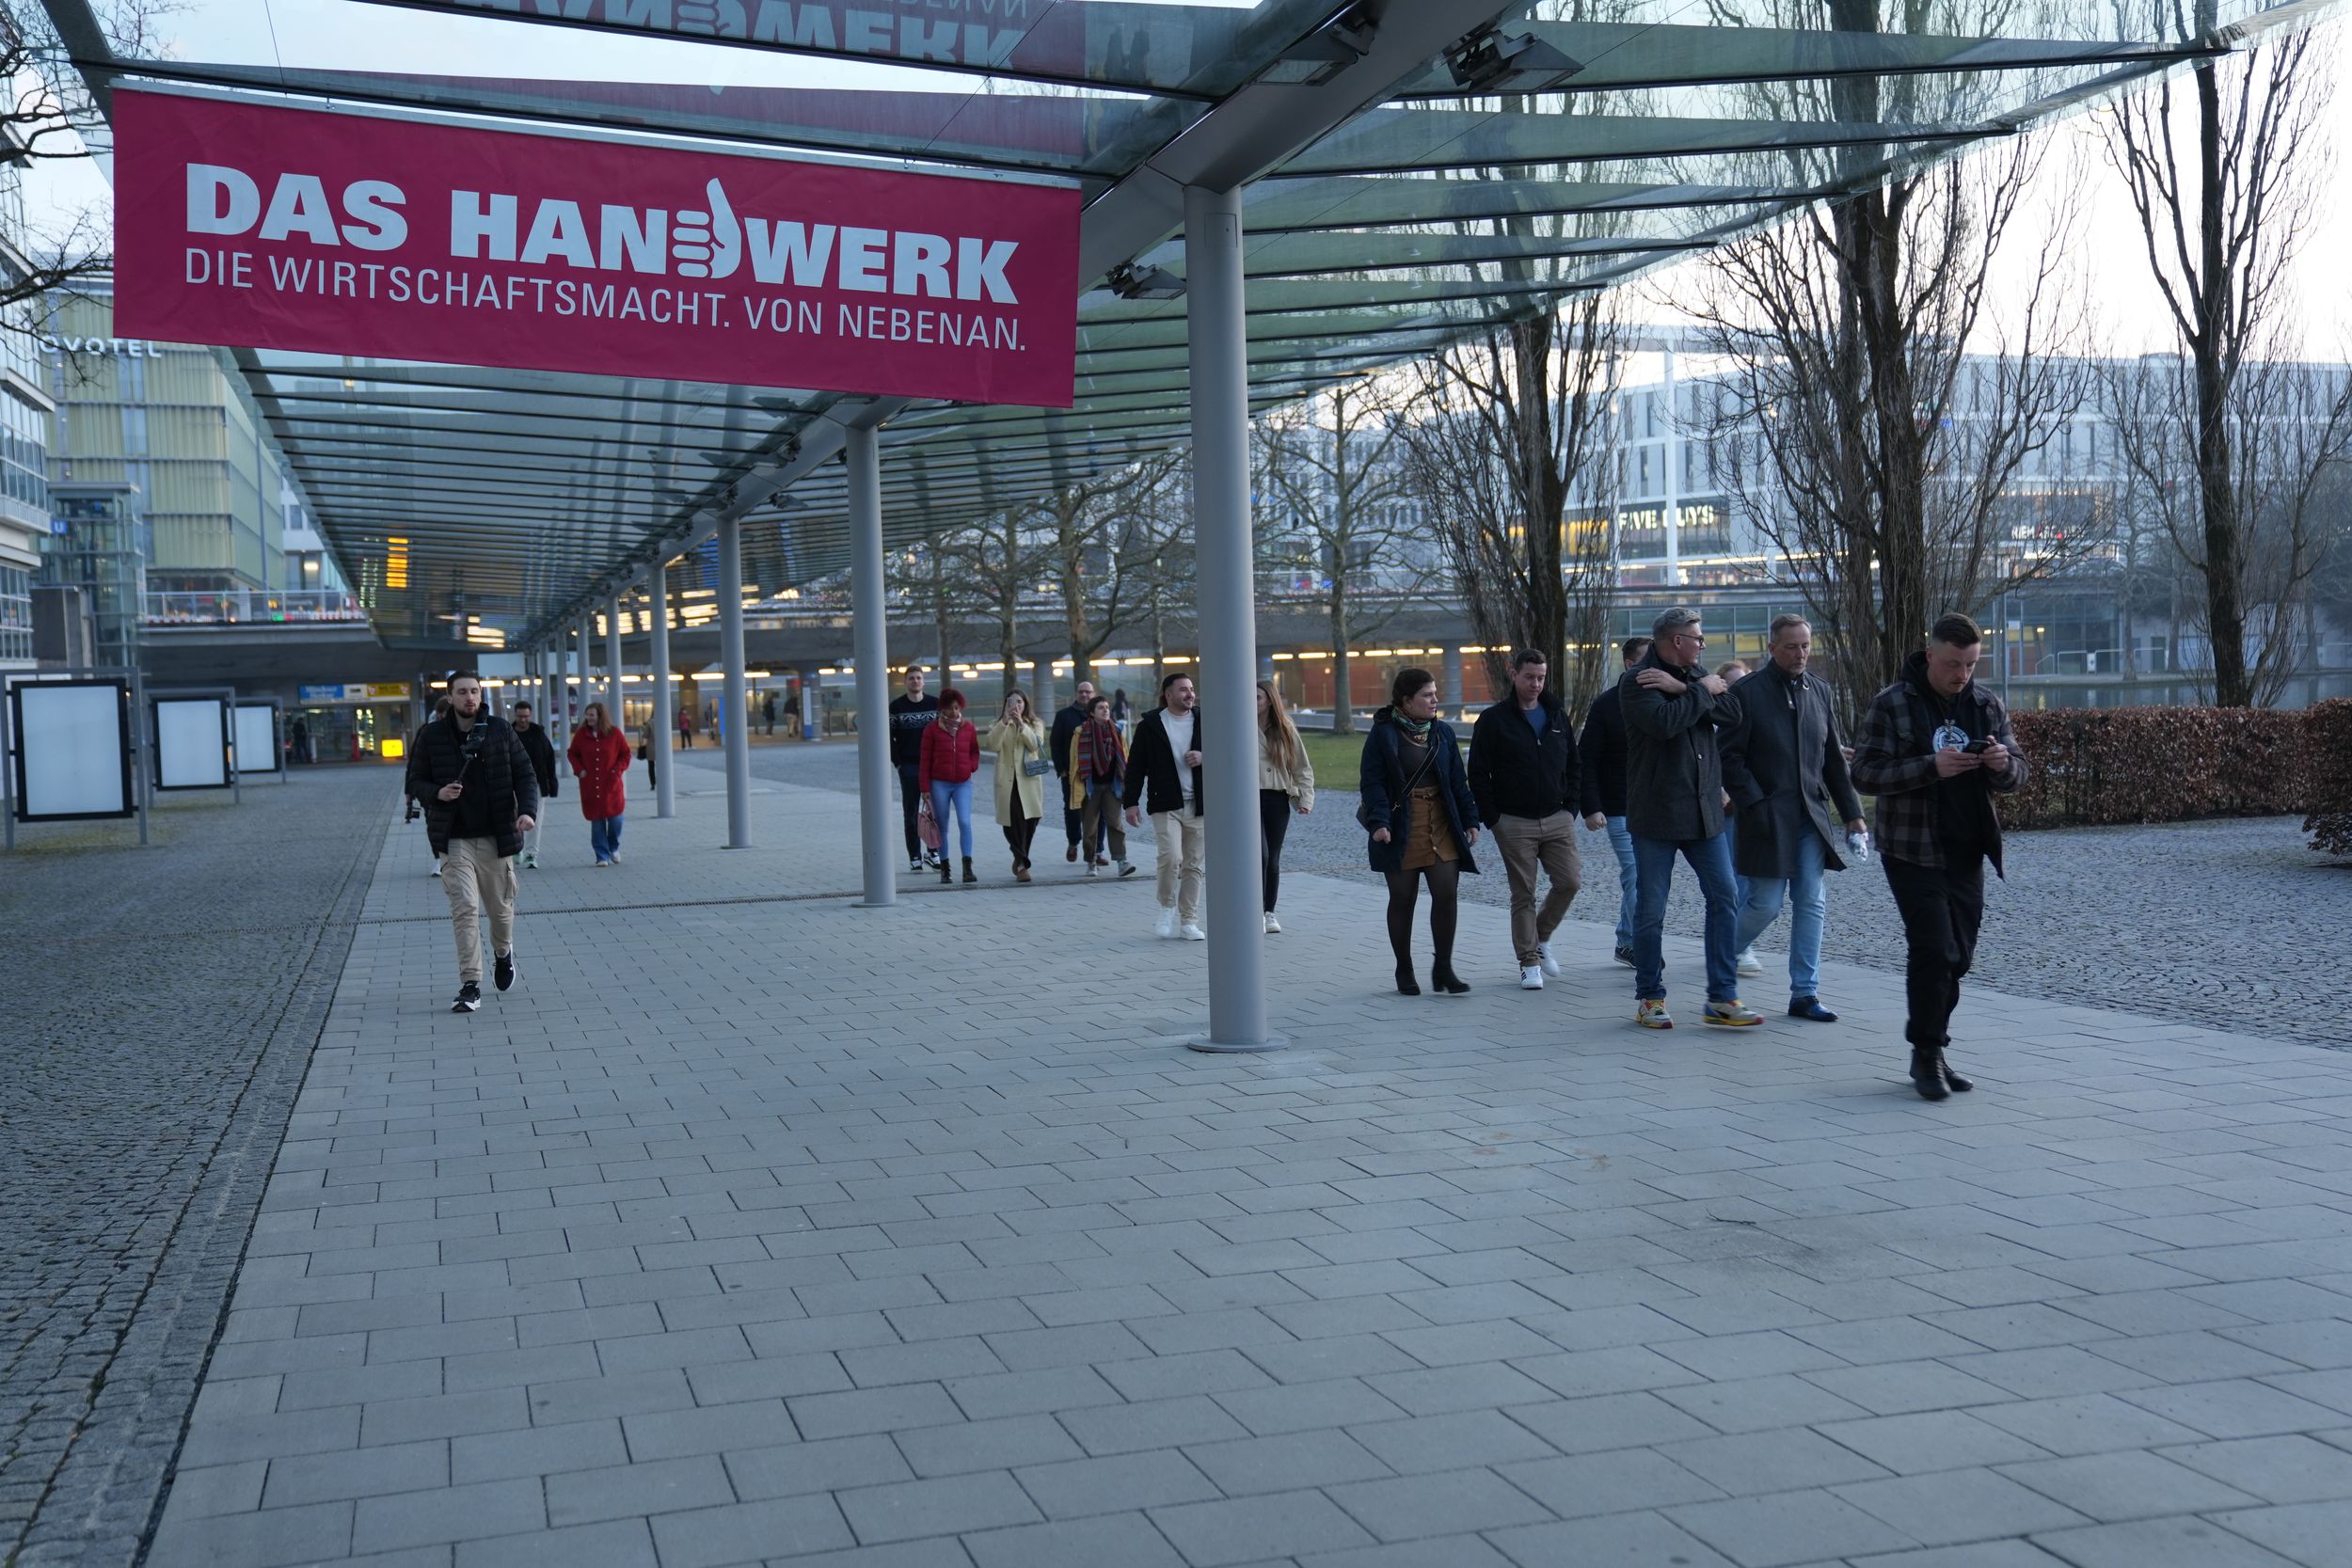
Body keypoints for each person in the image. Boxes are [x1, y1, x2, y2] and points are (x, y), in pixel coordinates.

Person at [1851, 611, 2028, 1101]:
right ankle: (1927, 1052)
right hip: (1911, 848)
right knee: (1934, 948)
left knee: (1960, 957)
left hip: (1968, 849)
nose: (1962, 674)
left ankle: (1933, 1049)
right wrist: (1930, 767)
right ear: (1930, 655)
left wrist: (2001, 765)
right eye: (1953, 663)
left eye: (1971, 665)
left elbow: (2020, 772)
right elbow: (1864, 774)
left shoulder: (1986, 704)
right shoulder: (1893, 704)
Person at [1718, 616, 1867, 1024]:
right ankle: (1721, 954)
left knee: (1811, 901)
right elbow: (1728, 757)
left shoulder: (1820, 691)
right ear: (1772, 649)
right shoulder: (1747, 693)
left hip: (1810, 818)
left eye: (1805, 645)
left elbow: (1833, 760)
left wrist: (1853, 814)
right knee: (1764, 904)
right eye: (1791, 646)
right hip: (1766, 818)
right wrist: (1755, 803)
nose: (1800, 653)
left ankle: (1805, 993)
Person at [1621, 608, 1759, 1030]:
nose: (1702, 644)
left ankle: (1721, 998)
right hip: (1657, 814)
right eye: (1697, 638)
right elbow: (1665, 724)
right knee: (1651, 910)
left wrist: (1682, 686)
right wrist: (1696, 692)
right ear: (1676, 640)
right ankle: (1650, 997)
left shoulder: (1693, 673)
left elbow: (1734, 714)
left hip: (1704, 813)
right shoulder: (1638, 681)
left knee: (1725, 899)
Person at [405, 672, 538, 1013]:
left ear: (480, 695)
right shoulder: (432, 735)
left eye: (474, 691)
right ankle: (470, 984)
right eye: (462, 692)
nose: (469, 698)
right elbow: (414, 780)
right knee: (464, 907)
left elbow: (524, 773)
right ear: (449, 697)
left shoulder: (498, 730)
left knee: (500, 912)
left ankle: (503, 953)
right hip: (454, 838)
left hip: (496, 836)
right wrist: (437, 793)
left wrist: (526, 811)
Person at [1469, 648, 1583, 991]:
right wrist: (1493, 818)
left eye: (1541, 678)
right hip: (1513, 820)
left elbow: (1575, 765)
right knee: (1524, 893)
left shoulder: (1557, 716)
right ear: (1514, 674)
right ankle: (1528, 962)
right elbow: (1478, 773)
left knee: (1570, 881)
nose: (1536, 684)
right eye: (1529, 677)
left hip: (1557, 816)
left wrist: (1571, 807)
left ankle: (1541, 938)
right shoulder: (1494, 720)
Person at [1361, 668, 1481, 995]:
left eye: (1434, 693)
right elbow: (1372, 784)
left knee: (1446, 893)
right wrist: (1380, 823)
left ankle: (1443, 967)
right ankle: (1404, 967)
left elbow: (1458, 779)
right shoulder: (1383, 734)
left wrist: (1470, 818)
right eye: (1427, 695)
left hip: (1441, 819)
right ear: (1406, 701)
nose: (1435, 699)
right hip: (1402, 822)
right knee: (1402, 898)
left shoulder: (1441, 732)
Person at [1580, 637, 1649, 967]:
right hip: (1619, 806)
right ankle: (1639, 945)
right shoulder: (1606, 705)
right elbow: (1587, 758)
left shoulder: (1660, 697)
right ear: (1630, 664)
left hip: (1654, 805)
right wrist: (1591, 807)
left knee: (1640, 873)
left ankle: (1625, 940)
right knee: (1636, 872)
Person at [1124, 672, 1205, 939]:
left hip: (1200, 804)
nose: (1190, 694)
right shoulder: (1151, 725)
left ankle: (1188, 921)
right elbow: (1136, 767)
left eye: (1191, 688)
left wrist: (1205, 756)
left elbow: (1229, 750)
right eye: (1183, 689)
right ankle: (1166, 906)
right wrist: (1130, 803)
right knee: (1171, 858)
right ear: (1168, 694)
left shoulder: (1206, 719)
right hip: (1166, 803)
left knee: (1193, 864)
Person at [1255, 681, 1314, 934]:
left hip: (1277, 798)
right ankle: (1254, 909)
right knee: (1261, 855)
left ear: (1269, 700)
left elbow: (1302, 767)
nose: (1252, 701)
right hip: (1249, 799)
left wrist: (1306, 798)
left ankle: (1269, 911)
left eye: (1257, 697)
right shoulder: (1239, 724)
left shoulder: (1285, 728)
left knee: (1273, 859)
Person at [1714, 658, 1760, 976]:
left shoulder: (1753, 714)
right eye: (1732, 684)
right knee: (1728, 879)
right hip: (1722, 809)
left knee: (1745, 876)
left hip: (1748, 804)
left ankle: (1737, 943)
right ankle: (1735, 945)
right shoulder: (1715, 715)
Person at [1069, 693, 1136, 878]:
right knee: (1090, 828)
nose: (1105, 710)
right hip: (1089, 787)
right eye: (1101, 707)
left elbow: (1125, 757)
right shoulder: (1081, 732)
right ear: (1092, 712)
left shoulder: (1117, 730)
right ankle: (1091, 861)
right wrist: (1074, 785)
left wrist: (1126, 780)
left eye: (1107, 707)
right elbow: (1075, 761)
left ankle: (1122, 861)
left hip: (1112, 786)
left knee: (1116, 823)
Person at [919, 687, 980, 885]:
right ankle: (945, 868)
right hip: (939, 783)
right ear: (942, 709)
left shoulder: (968, 727)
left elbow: (974, 751)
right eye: (948, 708)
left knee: (965, 822)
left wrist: (971, 766)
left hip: (963, 783)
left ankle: (967, 866)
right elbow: (925, 760)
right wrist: (924, 788)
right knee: (942, 825)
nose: (953, 712)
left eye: (956, 708)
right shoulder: (932, 729)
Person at [988, 688, 1050, 882]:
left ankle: (1019, 857)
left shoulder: (1036, 723)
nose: (1015, 706)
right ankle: (1023, 864)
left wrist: (1022, 725)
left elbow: (1035, 745)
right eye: (1011, 702)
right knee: (1013, 822)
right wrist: (1005, 723)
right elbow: (993, 745)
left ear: (1025, 705)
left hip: (1028, 781)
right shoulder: (998, 724)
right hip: (1007, 781)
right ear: (1005, 704)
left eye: (1019, 702)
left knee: (1030, 821)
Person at [889, 666, 942, 872]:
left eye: (919, 678)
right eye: (911, 678)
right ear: (906, 682)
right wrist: (898, 762)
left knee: (933, 810)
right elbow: (889, 737)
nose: (915, 681)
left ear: (924, 681)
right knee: (910, 811)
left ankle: (933, 851)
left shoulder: (934, 704)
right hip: (909, 764)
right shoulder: (896, 707)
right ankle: (915, 855)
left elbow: (942, 733)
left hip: (932, 765)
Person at [567, 700, 632, 866]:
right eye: (587, 715)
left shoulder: (615, 733)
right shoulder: (581, 735)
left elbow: (625, 754)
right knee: (597, 822)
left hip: (611, 784)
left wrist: (617, 770)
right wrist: (579, 769)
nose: (588, 718)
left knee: (616, 820)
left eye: (592, 715)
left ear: (600, 716)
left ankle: (613, 847)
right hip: (590, 785)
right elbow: (573, 754)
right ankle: (602, 855)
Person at [1050, 678, 1099, 865]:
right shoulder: (1064, 716)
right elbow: (1055, 743)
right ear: (1076, 694)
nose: (1085, 695)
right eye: (1081, 692)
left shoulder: (1099, 714)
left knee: (1097, 811)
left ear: (1093, 694)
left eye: (1088, 692)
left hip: (1096, 773)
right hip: (1071, 773)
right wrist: (1061, 769)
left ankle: (1097, 849)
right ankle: (1073, 842)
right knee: (1072, 810)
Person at [510, 699, 558, 869]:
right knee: (513, 816)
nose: (523, 720)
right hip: (511, 783)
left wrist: (552, 783)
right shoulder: (508, 733)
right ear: (515, 715)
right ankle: (517, 848)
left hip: (535, 783)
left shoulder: (538, 734)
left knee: (534, 819)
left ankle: (531, 854)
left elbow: (549, 758)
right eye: (520, 716)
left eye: (526, 716)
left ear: (530, 716)